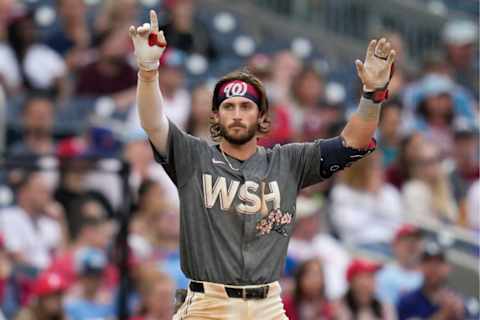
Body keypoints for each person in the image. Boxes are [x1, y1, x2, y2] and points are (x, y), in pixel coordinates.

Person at [129, 10, 396, 319]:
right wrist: (148, 71)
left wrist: (372, 95)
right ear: (215, 117)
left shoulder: (289, 161)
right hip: (207, 303)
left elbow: (355, 142)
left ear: (263, 117)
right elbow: (153, 123)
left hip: (266, 304)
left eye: (246, 106)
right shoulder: (193, 156)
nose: (237, 114)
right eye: (228, 107)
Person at [397, 242, 465, 320]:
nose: (433, 267)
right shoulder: (407, 302)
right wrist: (442, 316)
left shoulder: (462, 302)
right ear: (419, 267)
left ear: (448, 268)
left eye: (438, 262)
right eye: (428, 261)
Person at [375, 224, 424, 305]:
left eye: (416, 242)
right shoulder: (384, 276)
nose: (413, 246)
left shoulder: (430, 276)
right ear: (395, 246)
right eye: (407, 242)